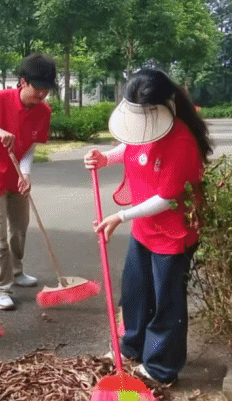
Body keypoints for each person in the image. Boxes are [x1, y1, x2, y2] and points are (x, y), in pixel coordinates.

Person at [84, 69, 211, 385]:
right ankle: (131, 348)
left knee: (166, 302)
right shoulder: (143, 126)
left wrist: (120, 216)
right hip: (145, 229)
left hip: (173, 234)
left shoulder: (181, 141)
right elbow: (130, 149)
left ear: (163, 106)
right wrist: (104, 158)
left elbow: (167, 198)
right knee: (136, 293)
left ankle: (161, 368)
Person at [0, 53, 56, 311]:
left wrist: (25, 173)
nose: (42, 94)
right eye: (38, 87)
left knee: (19, 227)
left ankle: (16, 271)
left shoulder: (44, 111)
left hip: (16, 175)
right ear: (23, 82)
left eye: (47, 89)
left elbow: (29, 146)